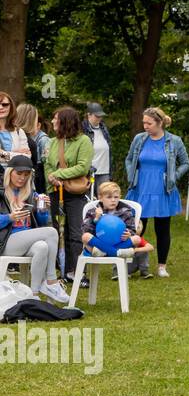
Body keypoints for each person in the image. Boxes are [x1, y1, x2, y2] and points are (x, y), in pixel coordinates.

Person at [124, 107, 189, 279]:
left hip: (162, 189)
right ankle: (130, 265)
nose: (145, 126)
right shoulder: (139, 139)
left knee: (162, 228)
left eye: (149, 123)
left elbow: (185, 163)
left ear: (159, 123)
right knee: (136, 228)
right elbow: (130, 158)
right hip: (141, 188)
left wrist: (174, 176)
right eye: (143, 122)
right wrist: (131, 175)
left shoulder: (174, 141)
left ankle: (161, 266)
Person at [0, 154, 68, 303]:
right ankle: (51, 281)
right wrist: (9, 218)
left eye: (26, 174)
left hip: (27, 241)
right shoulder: (1, 193)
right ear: (9, 172)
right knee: (51, 232)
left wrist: (42, 211)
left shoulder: (31, 194)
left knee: (42, 246)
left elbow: (41, 223)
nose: (22, 178)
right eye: (18, 173)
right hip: (5, 242)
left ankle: (34, 295)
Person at [46, 106, 93, 283]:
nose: (52, 122)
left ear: (66, 121)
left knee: (75, 233)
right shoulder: (52, 142)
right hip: (55, 192)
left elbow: (83, 167)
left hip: (74, 193)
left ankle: (79, 272)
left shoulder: (83, 141)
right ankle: (64, 271)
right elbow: (48, 165)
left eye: (56, 119)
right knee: (58, 233)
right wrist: (53, 179)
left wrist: (58, 175)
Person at [80, 180, 152, 276]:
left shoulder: (125, 211)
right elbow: (86, 229)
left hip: (118, 243)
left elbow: (132, 230)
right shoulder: (93, 211)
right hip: (99, 244)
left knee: (137, 239)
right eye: (109, 197)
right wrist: (96, 219)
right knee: (85, 236)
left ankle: (106, 252)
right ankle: (116, 252)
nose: (113, 200)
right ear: (100, 198)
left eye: (116, 197)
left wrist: (128, 234)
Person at [12, 104, 51, 194]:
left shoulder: (11, 135)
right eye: (36, 118)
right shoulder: (29, 142)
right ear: (31, 120)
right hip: (26, 187)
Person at [83, 104, 113, 194]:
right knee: (89, 199)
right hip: (89, 172)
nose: (99, 118)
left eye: (101, 116)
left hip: (105, 171)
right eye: (97, 116)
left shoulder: (104, 128)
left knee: (104, 198)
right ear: (89, 115)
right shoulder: (82, 129)